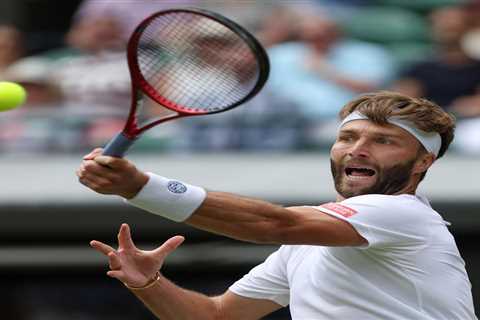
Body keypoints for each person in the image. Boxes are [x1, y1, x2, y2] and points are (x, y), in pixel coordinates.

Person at [77, 91, 477, 319]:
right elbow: (215, 317)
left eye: (383, 141)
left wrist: (140, 187)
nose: (358, 150)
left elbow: (273, 223)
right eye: (348, 137)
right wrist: (148, 282)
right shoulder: (305, 246)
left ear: (424, 161)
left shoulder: (404, 214)